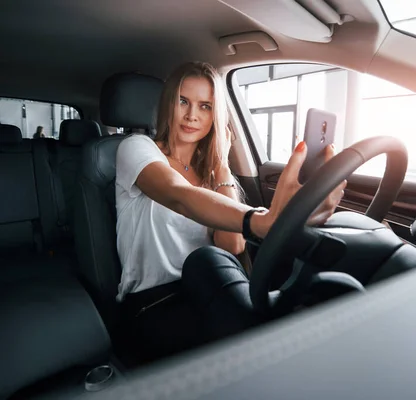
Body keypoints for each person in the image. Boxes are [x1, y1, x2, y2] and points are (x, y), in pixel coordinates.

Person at [115, 62, 345, 359]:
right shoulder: (137, 148)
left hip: (210, 288)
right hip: (154, 302)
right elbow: (179, 196)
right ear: (168, 103)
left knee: (331, 290)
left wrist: (221, 163)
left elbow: (232, 245)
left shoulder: (213, 175)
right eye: (183, 101)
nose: (192, 115)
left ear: (216, 116)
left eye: (205, 106)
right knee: (211, 268)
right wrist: (259, 221)